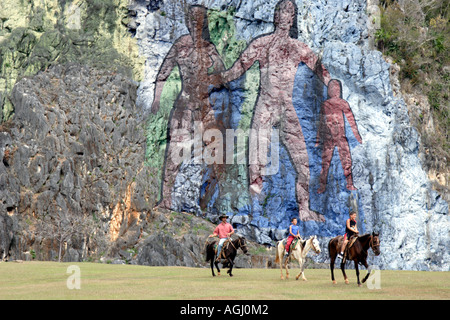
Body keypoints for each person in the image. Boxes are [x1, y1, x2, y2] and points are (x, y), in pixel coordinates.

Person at [211, 0, 332, 222]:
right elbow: (239, 68)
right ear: (276, 16)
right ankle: (253, 208)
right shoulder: (263, 44)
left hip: (287, 108)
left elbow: (320, 69)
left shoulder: (299, 48)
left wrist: (333, 88)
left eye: (291, 13)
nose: (286, 16)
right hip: (266, 105)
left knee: (303, 164)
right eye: (282, 11)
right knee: (256, 159)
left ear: (293, 19)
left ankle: (304, 209)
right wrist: (217, 79)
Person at [151, 5, 226, 210]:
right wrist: (156, 99)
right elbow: (162, 73)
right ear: (187, 21)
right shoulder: (180, 44)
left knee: (217, 152)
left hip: (204, 106)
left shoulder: (209, 48)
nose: (195, 21)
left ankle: (209, 203)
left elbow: (223, 76)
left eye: (200, 18)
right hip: (184, 105)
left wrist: (214, 78)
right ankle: (166, 199)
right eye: (192, 18)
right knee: (174, 152)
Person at [315, 79, 362, 194]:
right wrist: (317, 139)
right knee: (325, 163)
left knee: (346, 161)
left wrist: (357, 136)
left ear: (339, 90)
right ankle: (322, 186)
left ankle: (350, 184)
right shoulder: (325, 105)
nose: (334, 90)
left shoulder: (343, 103)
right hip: (328, 138)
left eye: (336, 88)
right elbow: (321, 123)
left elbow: (351, 121)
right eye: (332, 88)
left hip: (341, 136)